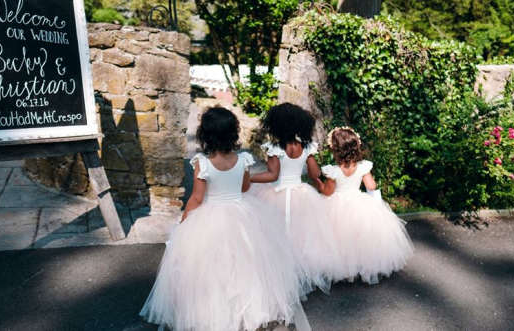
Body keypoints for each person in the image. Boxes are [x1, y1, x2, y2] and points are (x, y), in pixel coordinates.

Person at [140, 107, 310, 331]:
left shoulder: (203, 162)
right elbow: (245, 186)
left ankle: (216, 313)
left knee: (214, 266)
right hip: (242, 212)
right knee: (246, 262)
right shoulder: (243, 160)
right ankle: (247, 309)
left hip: (212, 213)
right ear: (233, 133)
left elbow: (197, 199)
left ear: (206, 134)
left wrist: (183, 224)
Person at [248, 103, 339, 293]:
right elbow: (315, 173)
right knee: (303, 235)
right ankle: (301, 271)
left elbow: (272, 175)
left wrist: (250, 177)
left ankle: (282, 272)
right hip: (301, 192)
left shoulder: (275, 147)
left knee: (279, 233)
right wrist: (309, 161)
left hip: (278, 192)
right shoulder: (305, 146)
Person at [318, 126, 414, 284]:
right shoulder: (362, 167)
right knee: (360, 236)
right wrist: (367, 177)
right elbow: (371, 186)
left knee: (340, 238)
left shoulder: (333, 171)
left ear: (335, 149)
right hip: (358, 201)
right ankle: (360, 265)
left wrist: (318, 184)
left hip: (338, 204)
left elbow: (328, 191)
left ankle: (344, 268)